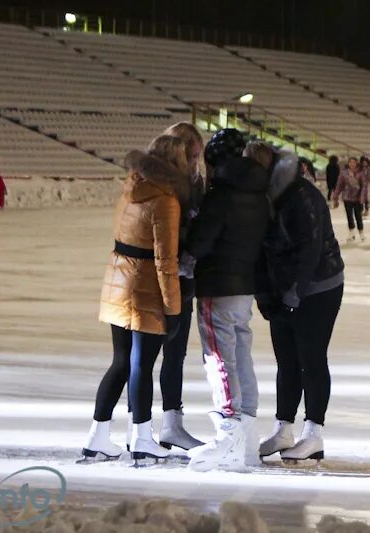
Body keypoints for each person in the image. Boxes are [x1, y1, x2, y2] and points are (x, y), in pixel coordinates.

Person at [83, 135, 190, 464]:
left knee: (120, 362)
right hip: (144, 287)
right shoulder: (166, 201)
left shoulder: (130, 189)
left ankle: (97, 437)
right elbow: (165, 262)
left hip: (117, 280)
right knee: (141, 364)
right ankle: (142, 437)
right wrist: (174, 308)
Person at [245, 142, 345, 462]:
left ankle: (313, 433)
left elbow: (310, 250)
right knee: (286, 360)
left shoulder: (302, 195)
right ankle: (283, 428)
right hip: (282, 286)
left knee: (311, 359)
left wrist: (294, 292)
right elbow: (257, 251)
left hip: (319, 286)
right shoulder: (258, 197)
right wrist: (264, 294)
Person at [181, 128, 270, 471]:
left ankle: (228, 433)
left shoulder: (221, 193)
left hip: (217, 284)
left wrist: (187, 253)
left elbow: (202, 241)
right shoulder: (258, 192)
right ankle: (246, 432)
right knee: (241, 352)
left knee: (219, 357)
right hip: (244, 285)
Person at [152, 122, 207, 452]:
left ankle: (169, 423)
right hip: (165, 278)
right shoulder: (169, 189)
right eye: (195, 154)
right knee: (148, 356)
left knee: (173, 354)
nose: (198, 161)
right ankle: (146, 426)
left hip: (180, 279)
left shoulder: (192, 183)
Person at [332, 157, 368, 242]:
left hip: (357, 198)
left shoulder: (361, 173)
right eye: (350, 162)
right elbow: (339, 185)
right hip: (347, 197)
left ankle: (361, 231)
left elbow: (364, 186)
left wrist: (362, 198)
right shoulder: (344, 173)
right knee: (349, 215)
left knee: (358, 215)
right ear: (348, 163)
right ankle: (351, 231)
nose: (352, 164)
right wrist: (335, 196)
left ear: (356, 163)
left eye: (354, 162)